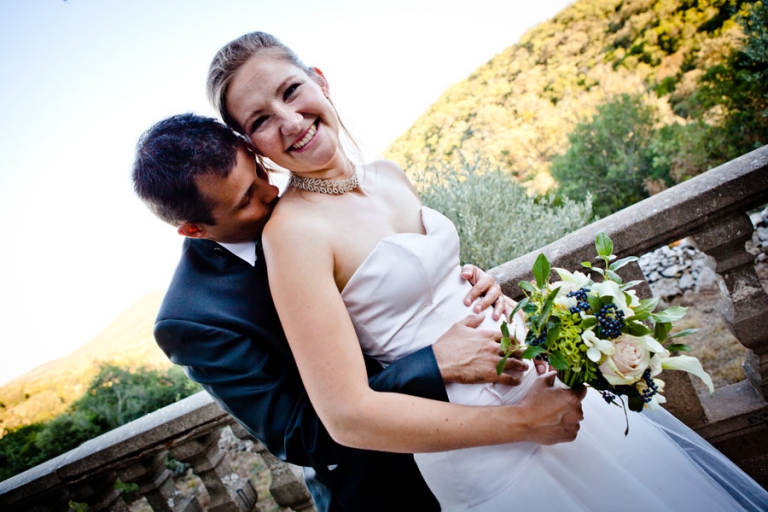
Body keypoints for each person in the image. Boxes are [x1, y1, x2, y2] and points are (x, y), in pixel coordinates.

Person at [206, 31, 768, 511]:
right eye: (260, 120)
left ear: (320, 80)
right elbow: (347, 416)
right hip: (480, 444)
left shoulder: (389, 174)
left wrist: (477, 285)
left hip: (541, 377)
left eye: (290, 90)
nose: (288, 121)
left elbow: (422, 283)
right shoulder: (292, 236)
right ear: (252, 146)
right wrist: (523, 422)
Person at [131, 114, 585, 512]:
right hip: (391, 486)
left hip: (503, 426)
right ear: (193, 229)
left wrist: (461, 283)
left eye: (261, 170)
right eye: (246, 199)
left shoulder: (314, 201)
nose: (272, 192)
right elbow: (300, 435)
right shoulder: (192, 320)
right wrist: (434, 361)